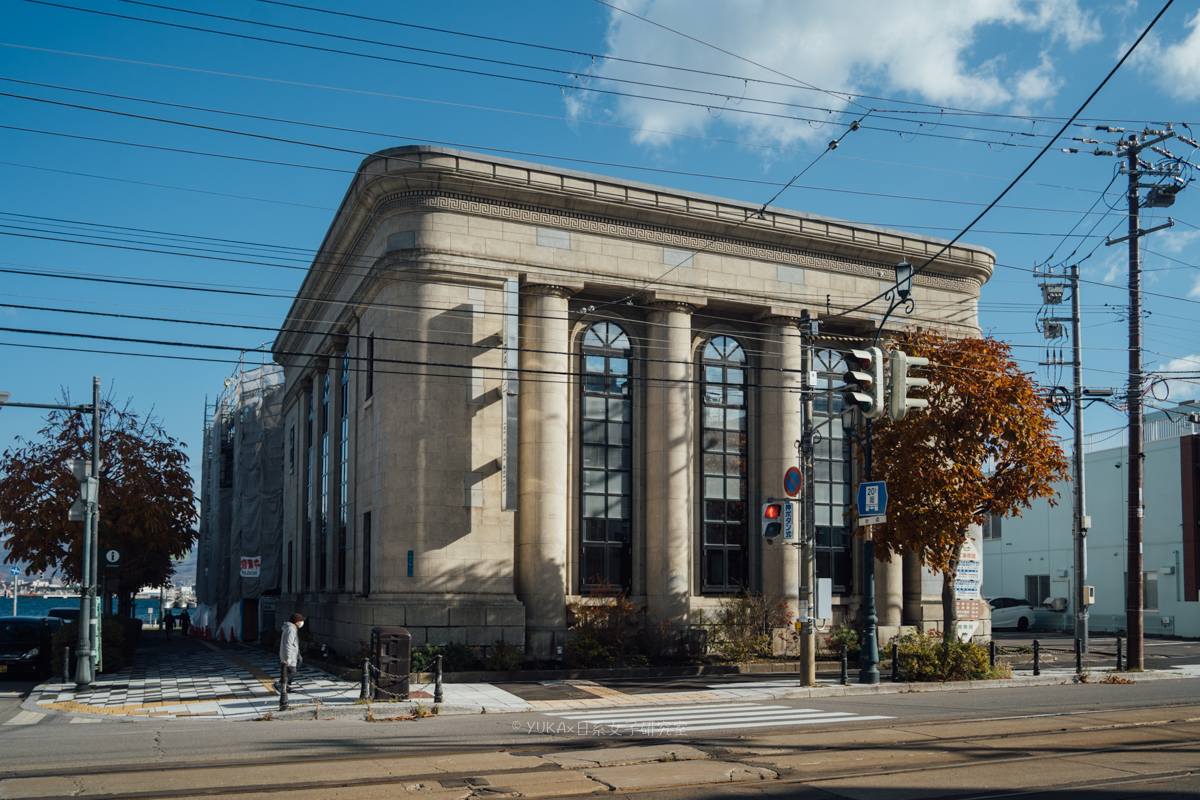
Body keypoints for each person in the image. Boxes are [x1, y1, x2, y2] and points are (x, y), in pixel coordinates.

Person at [279, 612, 305, 693]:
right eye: (301, 621)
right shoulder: (290, 629)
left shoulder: (292, 628)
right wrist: (288, 658)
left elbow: (295, 644)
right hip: (290, 656)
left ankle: (285, 687)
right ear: (297, 622)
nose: (302, 623)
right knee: (291, 671)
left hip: (293, 655)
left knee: (289, 671)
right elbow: (288, 644)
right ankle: (279, 684)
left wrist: (298, 655)